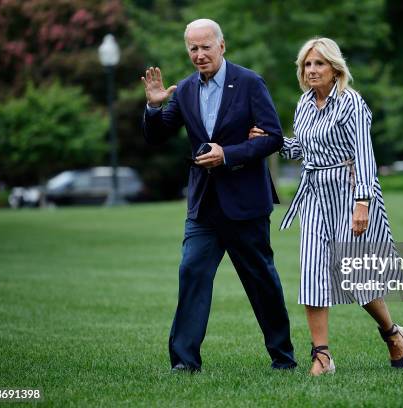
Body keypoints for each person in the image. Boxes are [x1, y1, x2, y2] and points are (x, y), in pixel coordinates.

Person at [141, 18, 296, 372]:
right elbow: (157, 135)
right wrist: (152, 107)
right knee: (191, 272)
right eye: (192, 49)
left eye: (205, 47)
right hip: (204, 206)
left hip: (245, 203)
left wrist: (228, 154)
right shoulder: (184, 92)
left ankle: (283, 357)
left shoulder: (250, 83)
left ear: (222, 46)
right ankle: (184, 362)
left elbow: (272, 137)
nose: (198, 55)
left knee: (261, 282)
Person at [249, 37, 403, 376]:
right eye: (306, 65)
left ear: (335, 68)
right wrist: (271, 141)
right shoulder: (304, 104)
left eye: (318, 64)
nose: (311, 71)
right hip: (314, 196)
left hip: (351, 191)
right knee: (311, 275)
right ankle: (321, 356)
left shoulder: (351, 102)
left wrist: (362, 203)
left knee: (356, 278)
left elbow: (365, 156)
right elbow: (304, 150)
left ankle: (393, 334)